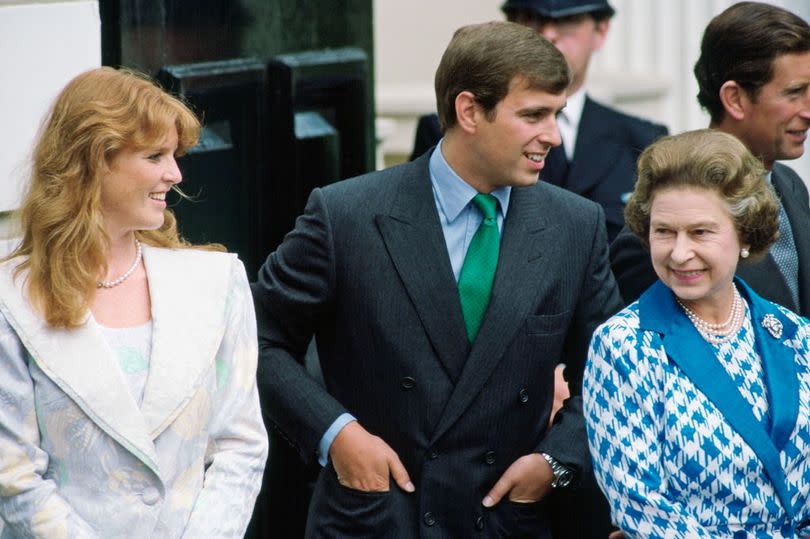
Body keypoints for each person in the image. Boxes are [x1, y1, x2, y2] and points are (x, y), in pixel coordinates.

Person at [254, 21, 621, 538]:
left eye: (556, 114)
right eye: (534, 115)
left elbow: (610, 374)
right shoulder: (346, 215)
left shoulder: (575, 226)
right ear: (469, 110)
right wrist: (337, 436)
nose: (554, 136)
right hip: (380, 518)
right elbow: (257, 339)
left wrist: (555, 461)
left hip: (505, 520)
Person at [0, 67, 268, 538]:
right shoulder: (11, 298)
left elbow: (239, 447)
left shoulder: (216, 283)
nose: (175, 173)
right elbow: (15, 477)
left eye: (174, 154)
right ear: (95, 160)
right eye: (155, 155)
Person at [584, 128, 810, 537]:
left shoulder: (797, 336)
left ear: (744, 233)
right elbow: (641, 505)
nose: (679, 252)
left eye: (701, 232)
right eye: (664, 231)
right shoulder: (624, 345)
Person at [411, 0, 668, 242]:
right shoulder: (450, 130)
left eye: (567, 21)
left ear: (600, 30)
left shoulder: (643, 139)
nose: (547, 33)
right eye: (531, 19)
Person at [611, 1, 810, 313]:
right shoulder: (659, 228)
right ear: (735, 99)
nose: (807, 110)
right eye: (794, 93)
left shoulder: (791, 186)